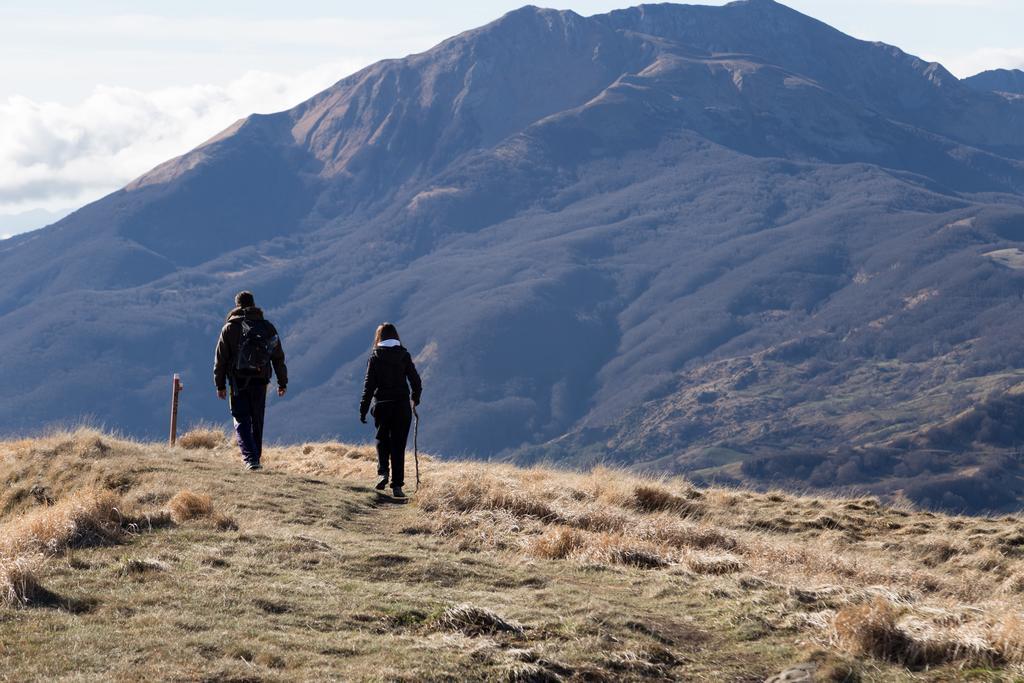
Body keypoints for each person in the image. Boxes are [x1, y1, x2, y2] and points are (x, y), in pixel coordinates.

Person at [214, 291, 288, 470]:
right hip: (261, 380)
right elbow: (278, 357)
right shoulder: (267, 327)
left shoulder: (230, 328)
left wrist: (220, 384)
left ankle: (250, 459)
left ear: (237, 305)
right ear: (254, 304)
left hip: (237, 381)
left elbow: (221, 359)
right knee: (257, 419)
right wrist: (282, 382)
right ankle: (256, 458)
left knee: (241, 418)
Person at [359, 322, 422, 498]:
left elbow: (368, 386)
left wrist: (363, 409)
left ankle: (383, 473)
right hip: (402, 405)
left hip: (382, 404)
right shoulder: (404, 355)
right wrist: (415, 398)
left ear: (379, 337)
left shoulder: (375, 356)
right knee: (398, 444)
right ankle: (397, 486)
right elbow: (415, 381)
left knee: (382, 438)